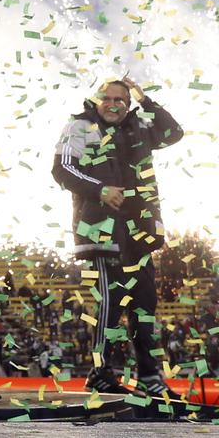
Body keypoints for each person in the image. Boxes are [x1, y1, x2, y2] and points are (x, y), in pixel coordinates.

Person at [52, 78, 183, 401]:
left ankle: (149, 376)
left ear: (129, 103)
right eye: (107, 98)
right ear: (96, 99)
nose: (113, 104)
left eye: (121, 100)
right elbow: (62, 169)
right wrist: (100, 190)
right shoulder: (79, 126)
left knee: (145, 301)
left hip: (140, 229)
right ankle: (100, 372)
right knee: (112, 301)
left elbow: (173, 132)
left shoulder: (140, 126)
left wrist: (144, 98)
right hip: (101, 227)